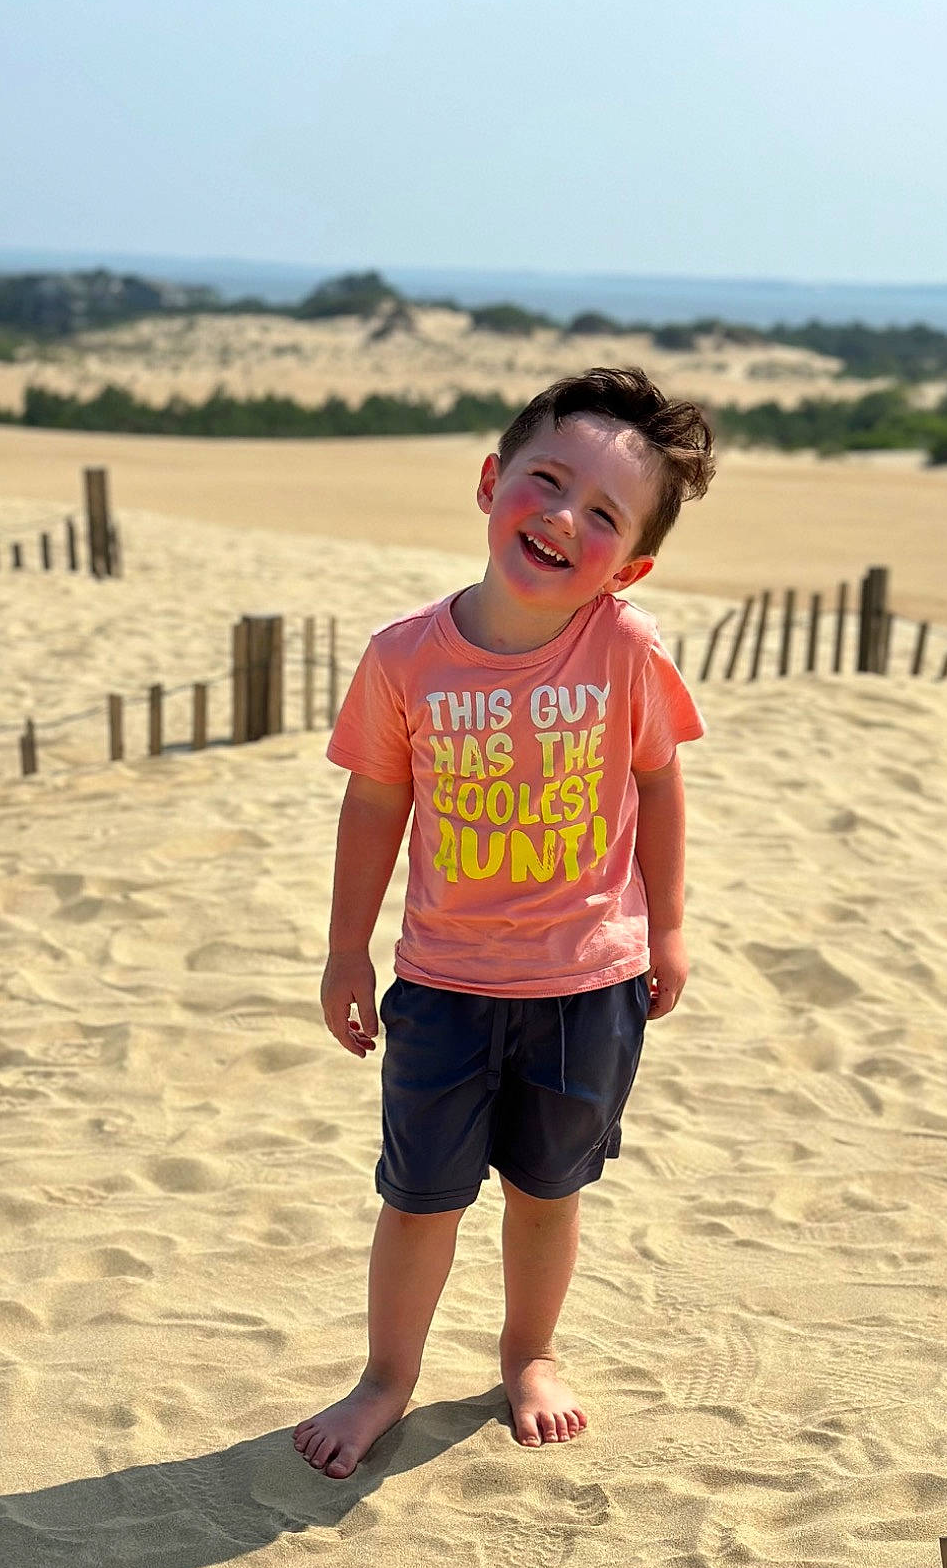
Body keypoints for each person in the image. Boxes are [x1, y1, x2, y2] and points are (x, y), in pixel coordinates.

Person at [294, 366, 715, 1477]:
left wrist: (666, 927)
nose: (564, 517)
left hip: (589, 984)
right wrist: (348, 944)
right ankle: (388, 1376)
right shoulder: (404, 657)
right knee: (419, 1193)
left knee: (547, 1190)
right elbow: (377, 798)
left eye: (604, 515)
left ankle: (530, 1352)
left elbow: (660, 780)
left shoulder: (626, 647)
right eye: (546, 480)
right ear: (491, 483)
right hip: (442, 981)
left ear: (629, 564)